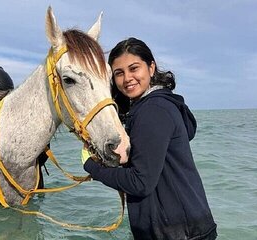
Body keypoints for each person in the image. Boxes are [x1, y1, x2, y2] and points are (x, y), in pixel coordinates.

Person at [81, 37, 217, 239]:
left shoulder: (153, 110)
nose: (127, 78)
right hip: (187, 227)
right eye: (119, 73)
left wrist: (91, 166)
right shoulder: (156, 105)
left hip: (179, 233)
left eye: (134, 68)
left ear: (151, 68)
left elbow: (140, 182)